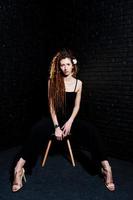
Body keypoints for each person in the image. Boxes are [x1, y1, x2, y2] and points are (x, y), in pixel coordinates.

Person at [12, 49, 115, 192]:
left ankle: (106, 168)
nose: (65, 68)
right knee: (36, 130)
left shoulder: (79, 83)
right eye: (62, 65)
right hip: (54, 119)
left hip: (70, 120)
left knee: (92, 131)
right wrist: (56, 126)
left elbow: (77, 106)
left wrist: (70, 121)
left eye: (67, 64)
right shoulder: (52, 82)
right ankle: (19, 169)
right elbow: (51, 106)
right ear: (59, 67)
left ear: (73, 65)